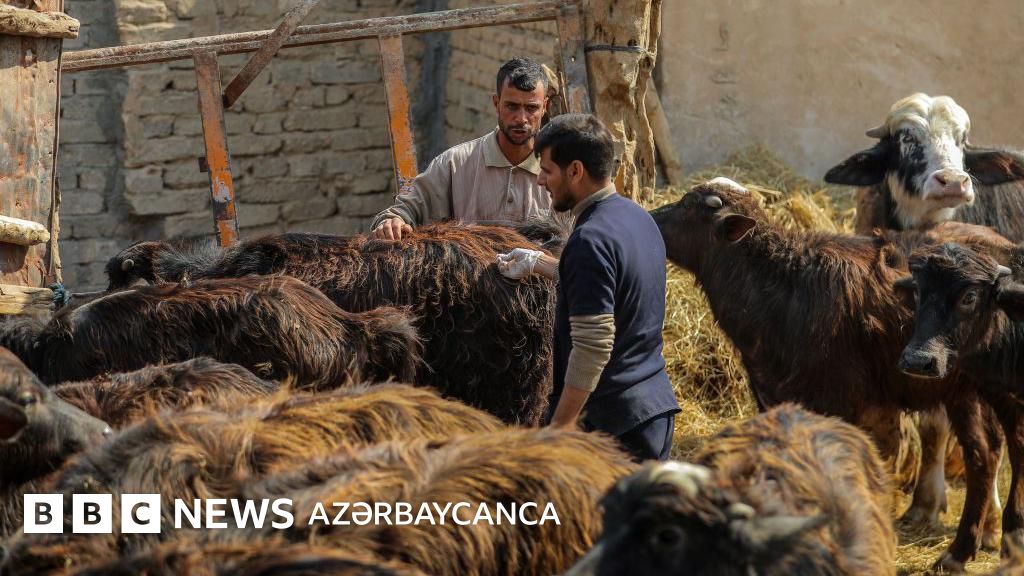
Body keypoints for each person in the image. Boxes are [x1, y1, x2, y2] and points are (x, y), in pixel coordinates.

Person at [496, 113, 680, 462]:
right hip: (651, 409)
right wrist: (539, 264)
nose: (540, 181)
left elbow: (592, 348)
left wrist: (559, 429)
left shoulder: (589, 241)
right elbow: (614, 287)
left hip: (612, 428)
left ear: (575, 171)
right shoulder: (638, 218)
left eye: (547, 171)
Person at [371, 57, 552, 239]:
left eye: (531, 108)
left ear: (545, 107)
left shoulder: (558, 171)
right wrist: (393, 221)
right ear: (496, 104)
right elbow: (405, 210)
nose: (521, 118)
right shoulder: (455, 164)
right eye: (512, 106)